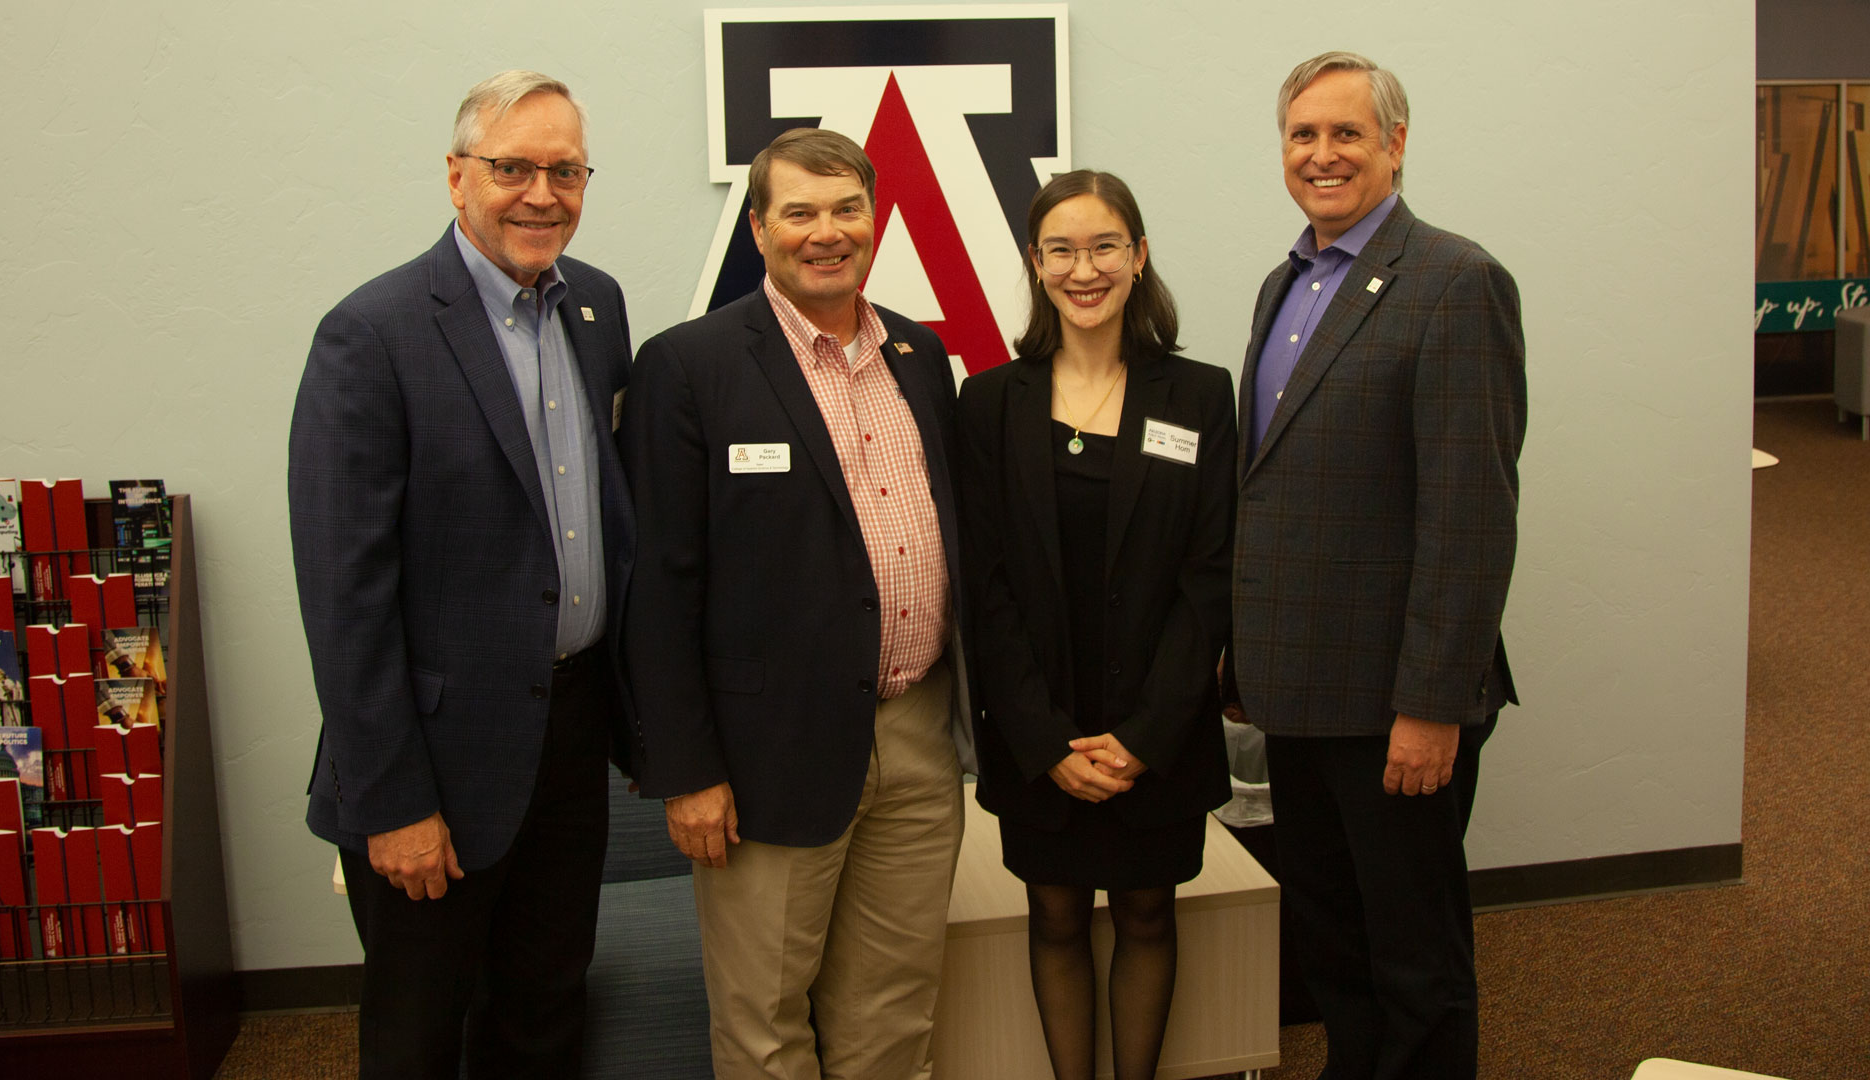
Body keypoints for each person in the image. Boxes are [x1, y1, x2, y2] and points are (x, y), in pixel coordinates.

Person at [287, 69, 634, 1079]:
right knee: (419, 1033)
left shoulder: (597, 309)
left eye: (563, 171)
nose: (540, 193)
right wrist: (391, 799)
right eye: (512, 168)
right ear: (456, 176)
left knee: (544, 1009)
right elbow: (343, 596)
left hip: (568, 739)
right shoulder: (373, 334)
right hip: (431, 760)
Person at [620, 127, 971, 1080]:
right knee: (766, 1022)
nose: (827, 232)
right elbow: (659, 586)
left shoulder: (920, 354)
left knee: (894, 1010)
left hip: (915, 732)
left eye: (846, 208)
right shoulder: (688, 366)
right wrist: (686, 770)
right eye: (801, 212)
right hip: (761, 754)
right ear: (761, 227)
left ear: (875, 216)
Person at [1229, 51, 1526, 1079]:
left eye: (1347, 133)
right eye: (1303, 136)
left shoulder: (1454, 280)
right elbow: (1272, 490)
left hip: (1398, 702)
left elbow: (1471, 513)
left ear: (1395, 146)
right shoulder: (1285, 285)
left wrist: (1433, 702)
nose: (1323, 155)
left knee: (1414, 959)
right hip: (1300, 695)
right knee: (1332, 943)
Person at [958, 170, 1236, 1080]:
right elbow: (985, 588)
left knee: (1150, 912)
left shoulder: (1199, 395)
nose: (1086, 269)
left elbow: (1208, 579)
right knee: (1056, 916)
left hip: (1155, 729)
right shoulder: (990, 401)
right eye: (1062, 250)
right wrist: (1043, 743)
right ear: (1036, 266)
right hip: (1042, 732)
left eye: (1105, 246)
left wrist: (1145, 738)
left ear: (1139, 256)